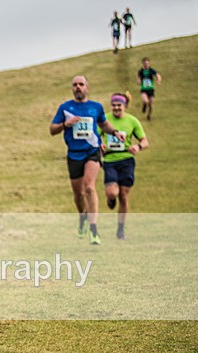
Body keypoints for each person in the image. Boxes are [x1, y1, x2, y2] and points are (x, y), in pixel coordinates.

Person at [50, 75, 125, 245]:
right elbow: (52, 130)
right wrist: (65, 124)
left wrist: (114, 132)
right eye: (75, 85)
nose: (78, 87)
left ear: (87, 87)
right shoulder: (65, 108)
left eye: (81, 84)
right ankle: (82, 216)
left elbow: (103, 124)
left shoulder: (96, 107)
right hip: (74, 155)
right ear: (72, 88)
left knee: (89, 186)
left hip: (92, 151)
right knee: (78, 194)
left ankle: (93, 229)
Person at [99, 92, 148, 240]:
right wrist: (99, 144)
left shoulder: (132, 121)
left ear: (124, 106)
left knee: (124, 196)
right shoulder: (105, 119)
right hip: (110, 160)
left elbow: (145, 140)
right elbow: (94, 135)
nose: (116, 107)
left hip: (126, 160)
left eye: (119, 105)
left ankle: (120, 230)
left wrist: (138, 147)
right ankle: (110, 199)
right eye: (113, 105)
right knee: (113, 193)